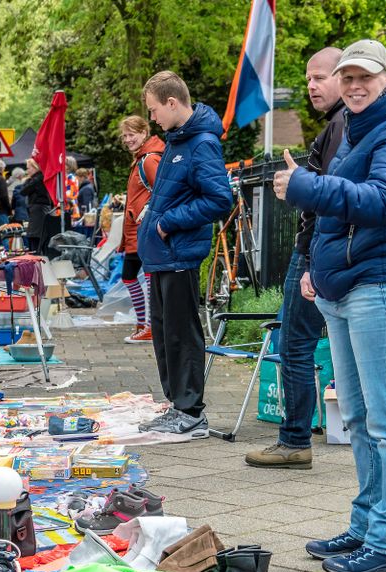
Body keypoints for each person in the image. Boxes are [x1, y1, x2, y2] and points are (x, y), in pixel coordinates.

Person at [274, 40, 386, 572]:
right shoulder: (359, 129)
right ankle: (367, 525)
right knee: (361, 419)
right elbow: (335, 215)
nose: (353, 85)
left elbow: (383, 202)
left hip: (381, 288)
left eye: (364, 76)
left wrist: (307, 186)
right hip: (344, 288)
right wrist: (314, 269)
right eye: (347, 77)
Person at [247, 47, 345, 470]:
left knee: (295, 345)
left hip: (316, 253)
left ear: (344, 77)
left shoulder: (342, 126)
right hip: (320, 251)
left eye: (320, 77)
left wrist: (309, 259)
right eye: (308, 79)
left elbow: (333, 197)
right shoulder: (338, 126)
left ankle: (294, 439)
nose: (311, 86)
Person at [136, 71, 232, 438]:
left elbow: (219, 199)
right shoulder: (177, 141)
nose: (152, 118)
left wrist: (167, 222)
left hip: (178, 254)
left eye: (154, 110)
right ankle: (178, 405)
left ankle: (191, 411)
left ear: (173, 103)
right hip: (164, 255)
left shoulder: (201, 143)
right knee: (164, 334)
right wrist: (154, 216)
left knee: (181, 334)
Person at [118, 115, 164, 344]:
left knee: (147, 278)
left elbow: (162, 192)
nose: (127, 139)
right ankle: (143, 323)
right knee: (129, 277)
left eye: (131, 134)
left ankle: (150, 326)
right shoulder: (141, 158)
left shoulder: (148, 159)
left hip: (143, 229)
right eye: (125, 136)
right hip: (135, 230)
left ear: (144, 132)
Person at [20, 158, 53, 254]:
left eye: (28, 168)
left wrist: (28, 180)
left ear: (35, 167)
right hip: (40, 210)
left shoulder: (37, 179)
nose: (27, 171)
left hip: (38, 211)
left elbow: (23, 191)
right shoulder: (41, 178)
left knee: (35, 236)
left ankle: (36, 257)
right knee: (39, 236)